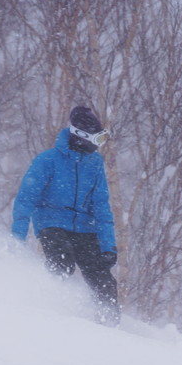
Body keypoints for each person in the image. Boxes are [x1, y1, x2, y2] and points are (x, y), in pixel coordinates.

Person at [12, 106, 120, 326]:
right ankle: (56, 315)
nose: (99, 145)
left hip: (85, 228)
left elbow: (101, 206)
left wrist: (108, 246)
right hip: (52, 223)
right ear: (81, 136)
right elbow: (26, 198)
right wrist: (17, 238)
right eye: (97, 139)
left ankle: (110, 326)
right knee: (62, 264)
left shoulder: (95, 164)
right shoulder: (48, 160)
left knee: (103, 278)